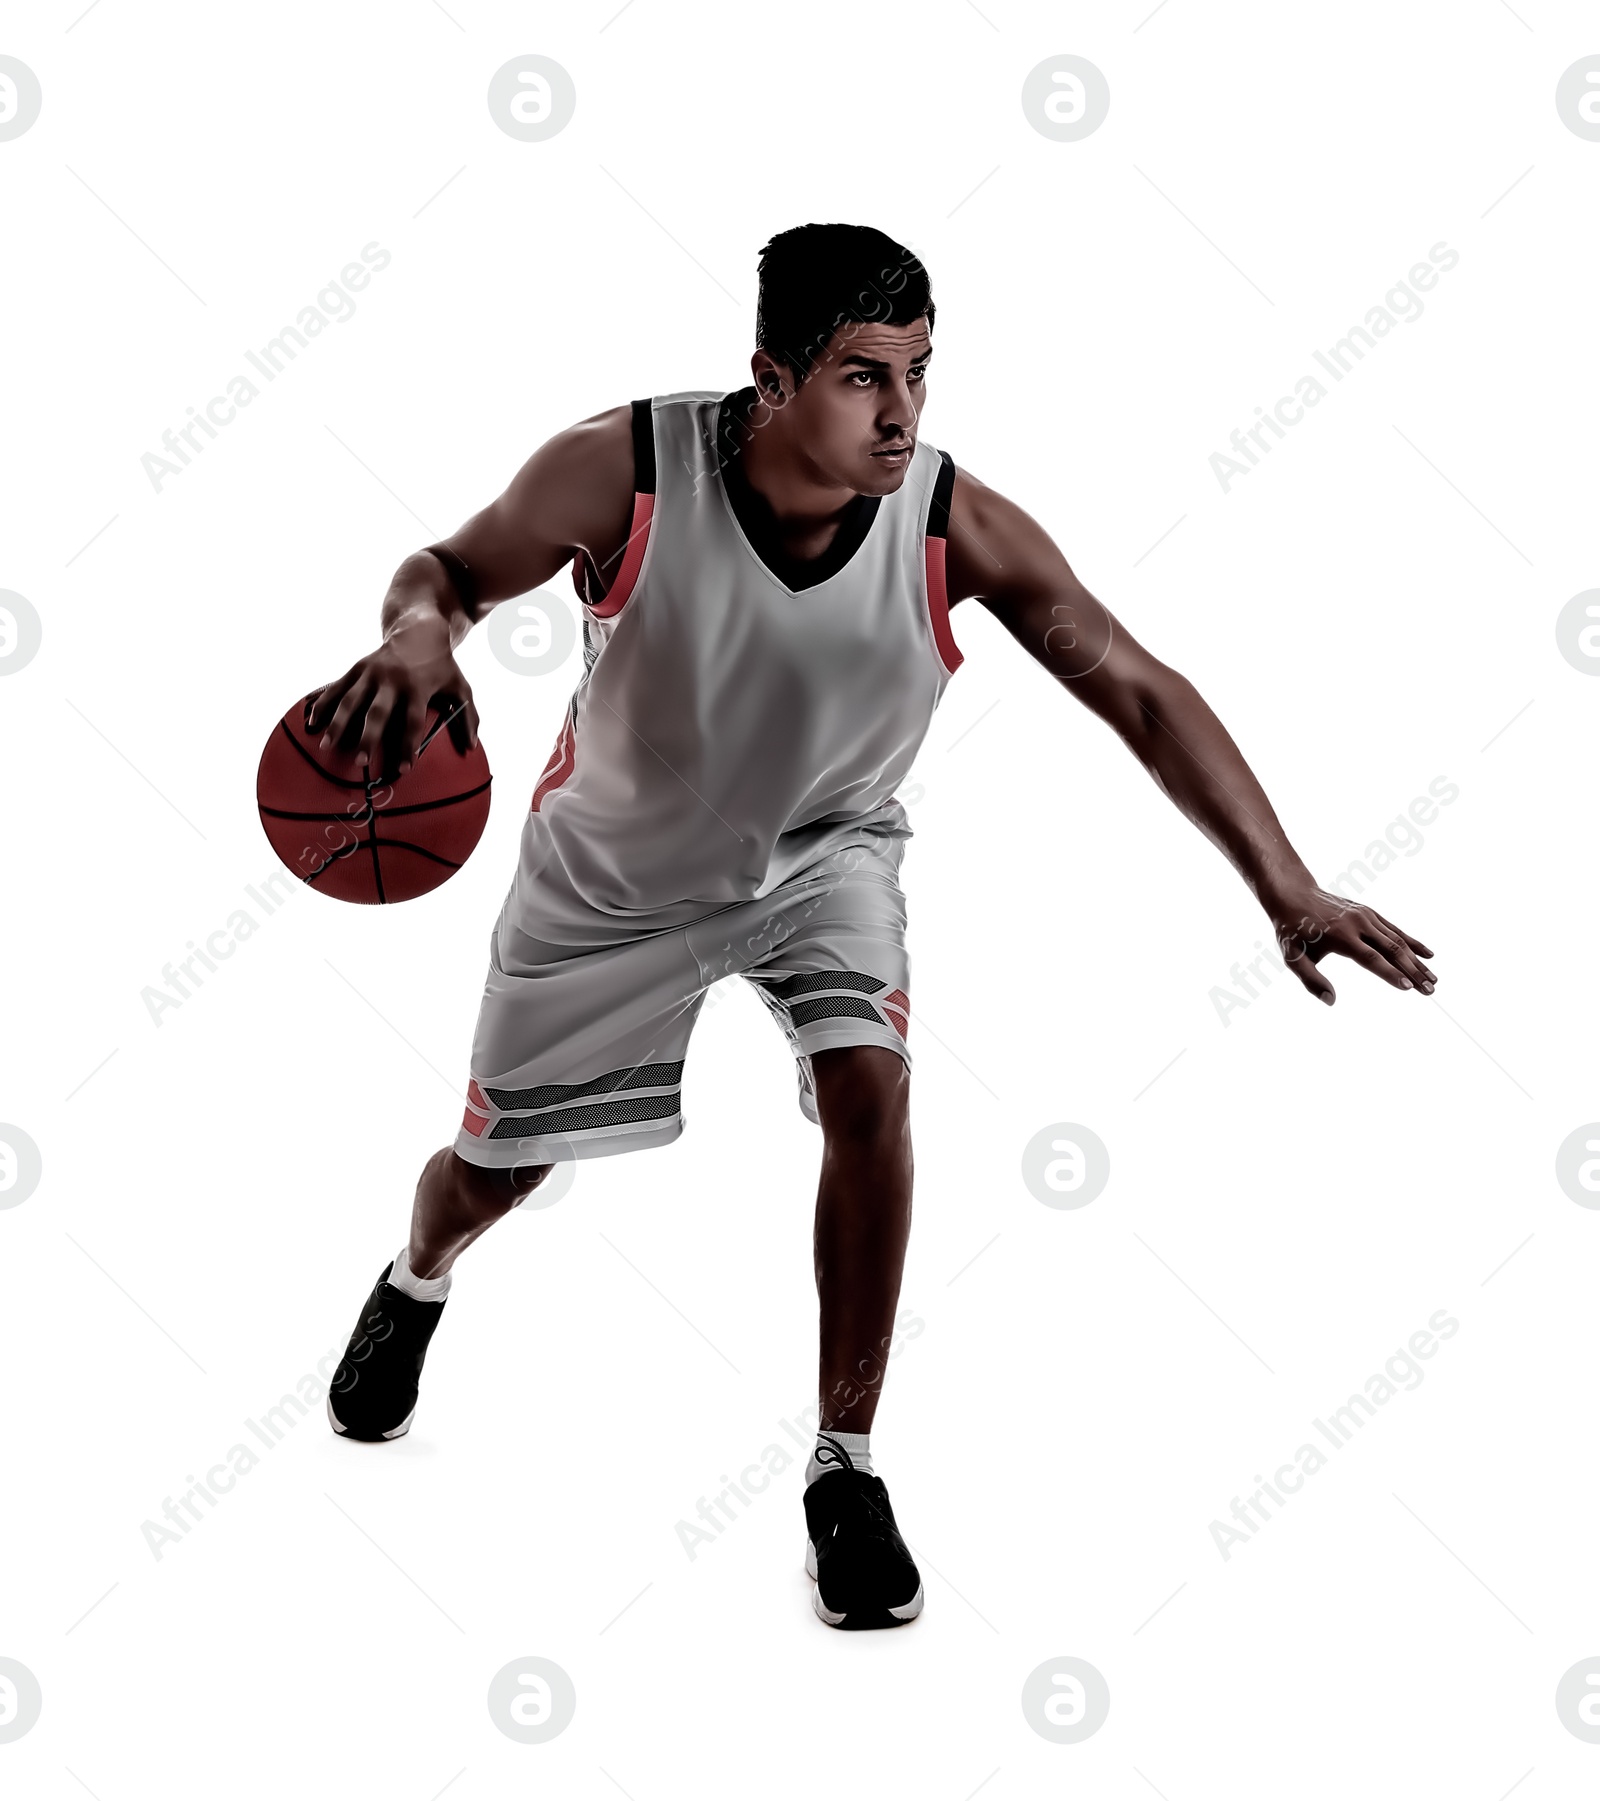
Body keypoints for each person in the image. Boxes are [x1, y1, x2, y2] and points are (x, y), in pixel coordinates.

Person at [308, 221, 1436, 1631]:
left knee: (872, 1093)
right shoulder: (625, 469)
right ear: (771, 378)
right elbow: (449, 570)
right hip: (613, 876)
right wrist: (423, 630)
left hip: (822, 859)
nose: (902, 413)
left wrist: (1285, 881)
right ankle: (417, 1280)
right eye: (861, 376)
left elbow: (1138, 686)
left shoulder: (958, 527)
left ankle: (844, 1462)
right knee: (497, 1171)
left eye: (918, 372)